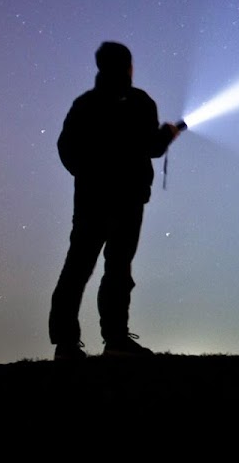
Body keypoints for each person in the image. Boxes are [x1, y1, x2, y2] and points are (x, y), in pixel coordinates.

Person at [49, 41, 182, 359]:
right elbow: (152, 147)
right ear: (128, 66)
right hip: (126, 199)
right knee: (114, 269)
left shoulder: (85, 104)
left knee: (81, 268)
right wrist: (168, 134)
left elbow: (66, 147)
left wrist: (88, 174)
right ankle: (114, 340)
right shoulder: (140, 102)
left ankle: (69, 344)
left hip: (95, 199)